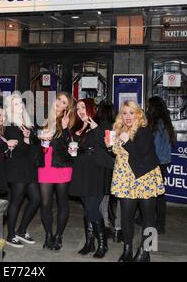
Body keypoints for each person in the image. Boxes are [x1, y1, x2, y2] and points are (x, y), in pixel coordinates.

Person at [108, 101, 165, 262]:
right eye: (125, 113)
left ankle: (146, 251)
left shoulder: (144, 130)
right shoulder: (118, 129)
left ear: (138, 114)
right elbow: (117, 152)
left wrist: (126, 141)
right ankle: (127, 249)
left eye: (131, 113)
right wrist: (109, 146)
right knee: (126, 216)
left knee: (148, 216)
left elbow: (139, 154)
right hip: (125, 177)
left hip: (145, 176)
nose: (127, 117)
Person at [69, 99, 113, 259]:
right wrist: (72, 151)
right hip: (81, 171)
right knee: (88, 208)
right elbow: (75, 150)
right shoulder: (76, 128)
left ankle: (102, 244)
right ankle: (90, 243)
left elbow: (110, 146)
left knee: (93, 208)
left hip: (98, 171)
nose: (80, 110)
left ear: (90, 108)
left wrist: (95, 128)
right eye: (78, 108)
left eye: (83, 107)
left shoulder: (102, 125)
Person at [36, 92, 75, 251]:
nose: (59, 103)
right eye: (58, 99)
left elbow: (70, 145)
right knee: (45, 203)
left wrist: (65, 129)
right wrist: (37, 135)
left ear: (67, 107)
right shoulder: (43, 117)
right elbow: (34, 136)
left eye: (64, 102)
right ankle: (48, 235)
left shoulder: (67, 121)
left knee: (62, 202)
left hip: (61, 165)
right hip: (44, 164)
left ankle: (58, 236)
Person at [3, 94, 40, 248]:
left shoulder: (27, 123)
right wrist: (26, 140)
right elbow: (19, 152)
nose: (20, 106)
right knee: (16, 202)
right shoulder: (10, 125)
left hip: (29, 168)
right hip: (17, 169)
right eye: (16, 104)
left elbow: (33, 148)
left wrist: (32, 140)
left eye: (20, 103)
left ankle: (21, 230)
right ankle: (10, 235)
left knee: (36, 199)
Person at [146, 96, 176, 234]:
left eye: (148, 106)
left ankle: (157, 224)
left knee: (155, 194)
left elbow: (155, 147)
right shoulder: (166, 122)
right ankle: (158, 222)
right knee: (158, 193)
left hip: (156, 162)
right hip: (163, 161)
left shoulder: (157, 124)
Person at [96, 101, 120, 242]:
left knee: (102, 197)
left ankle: (104, 223)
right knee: (119, 199)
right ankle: (118, 228)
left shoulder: (96, 126)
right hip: (114, 166)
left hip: (100, 166)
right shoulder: (115, 127)